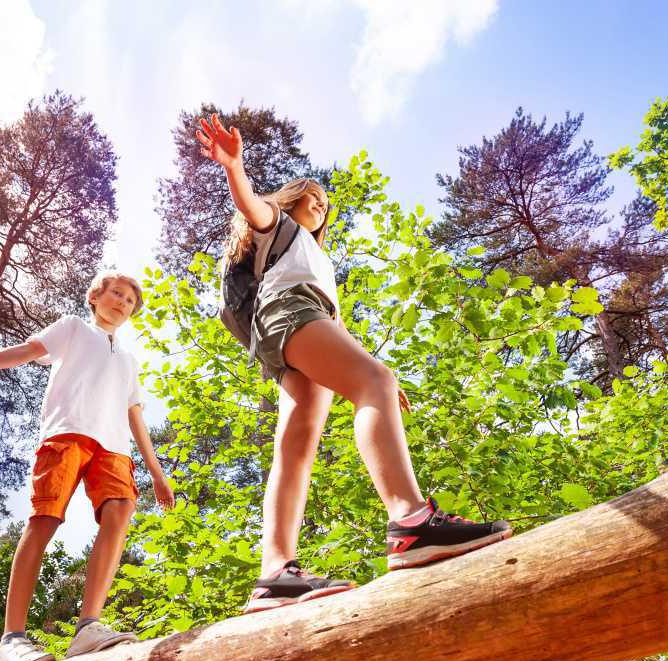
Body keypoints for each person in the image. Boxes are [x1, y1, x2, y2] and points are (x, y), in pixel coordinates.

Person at [196, 113, 512, 614]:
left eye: (325, 204)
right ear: (289, 201)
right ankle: (410, 523)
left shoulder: (315, 257)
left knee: (296, 446)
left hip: (292, 328)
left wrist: (373, 375)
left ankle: (274, 572)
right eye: (311, 198)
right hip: (289, 313)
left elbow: (335, 327)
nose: (320, 206)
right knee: (371, 385)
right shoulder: (278, 229)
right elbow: (251, 206)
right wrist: (235, 167)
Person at [0, 270, 175, 661]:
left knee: (120, 512)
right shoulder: (72, 329)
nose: (122, 303)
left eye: (130, 301)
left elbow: (135, 416)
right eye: (116, 294)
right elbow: (27, 351)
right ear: (96, 296)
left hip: (113, 447)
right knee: (46, 519)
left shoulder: (128, 359)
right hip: (67, 434)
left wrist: (156, 473)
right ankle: (11, 641)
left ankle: (88, 627)